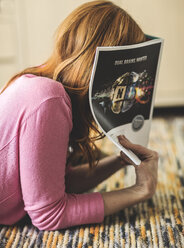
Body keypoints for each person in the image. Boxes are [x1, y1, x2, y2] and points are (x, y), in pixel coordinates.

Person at [0, 0, 158, 230]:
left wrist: (120, 160)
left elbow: (54, 186)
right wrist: (139, 191)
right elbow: (49, 214)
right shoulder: (48, 99)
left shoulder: (42, 85)